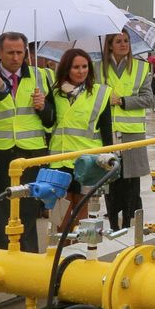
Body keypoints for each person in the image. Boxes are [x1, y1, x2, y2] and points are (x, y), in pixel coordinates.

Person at [0, 32, 55, 252]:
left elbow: (52, 119)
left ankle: (28, 262)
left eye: (20, 52)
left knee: (29, 211)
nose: (15, 57)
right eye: (10, 52)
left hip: (31, 154)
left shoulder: (42, 77)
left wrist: (43, 107)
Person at [99, 31, 155, 230]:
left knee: (131, 184)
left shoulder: (141, 68)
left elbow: (150, 99)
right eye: (118, 41)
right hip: (108, 134)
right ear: (109, 45)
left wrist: (122, 101)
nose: (124, 44)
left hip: (132, 135)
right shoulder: (99, 69)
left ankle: (132, 224)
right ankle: (114, 224)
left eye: (126, 41)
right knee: (111, 182)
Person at [50, 47, 112, 223]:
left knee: (82, 217)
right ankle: (62, 250)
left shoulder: (101, 93)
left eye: (85, 66)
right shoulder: (54, 93)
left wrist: (110, 160)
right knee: (61, 217)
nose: (81, 71)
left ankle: (80, 250)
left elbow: (107, 130)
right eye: (76, 67)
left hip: (88, 162)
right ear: (66, 69)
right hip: (60, 161)